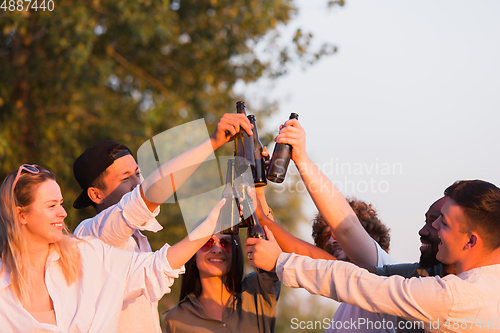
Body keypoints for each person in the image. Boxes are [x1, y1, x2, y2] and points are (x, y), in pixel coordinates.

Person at [72, 113, 252, 332]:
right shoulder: (90, 235)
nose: (137, 183)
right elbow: (148, 194)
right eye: (125, 178)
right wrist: (212, 142)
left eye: (138, 173)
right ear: (96, 195)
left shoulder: (136, 238)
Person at [248, 179, 500, 333]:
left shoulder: (453, 297)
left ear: (471, 240)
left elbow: (359, 283)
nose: (429, 230)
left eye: (441, 223)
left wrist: (281, 261)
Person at [0, 164, 224, 332]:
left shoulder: (86, 255)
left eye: (61, 204)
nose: (63, 213)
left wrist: (205, 229)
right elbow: (138, 204)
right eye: (51, 206)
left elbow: (156, 266)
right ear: (21, 215)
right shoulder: (3, 288)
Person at [164, 230, 280, 333]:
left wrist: (254, 212)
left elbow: (273, 250)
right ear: (193, 253)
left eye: (226, 244)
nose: (217, 250)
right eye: (206, 243)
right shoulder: (176, 319)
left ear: (235, 251)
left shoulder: (257, 289)